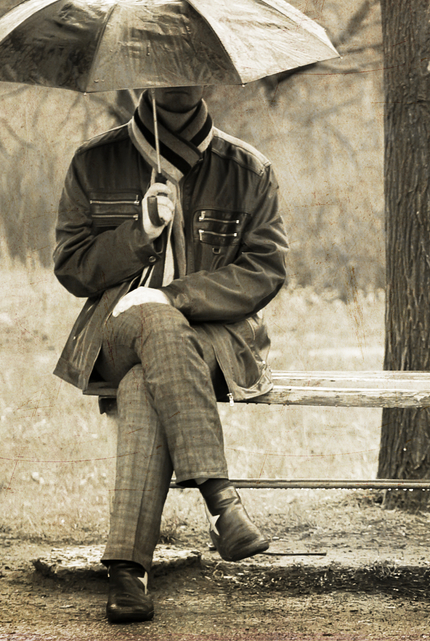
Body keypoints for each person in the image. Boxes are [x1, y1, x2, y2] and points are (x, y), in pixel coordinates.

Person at [52, 86, 288, 623]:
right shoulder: (94, 162)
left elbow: (265, 270)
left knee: (144, 381)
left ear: (208, 74)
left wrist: (174, 296)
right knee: (154, 327)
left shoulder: (248, 171)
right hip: (117, 331)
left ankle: (127, 570)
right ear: (142, 74)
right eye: (164, 67)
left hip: (213, 342)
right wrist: (140, 232)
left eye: (190, 66)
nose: (179, 78)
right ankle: (221, 501)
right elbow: (72, 267)